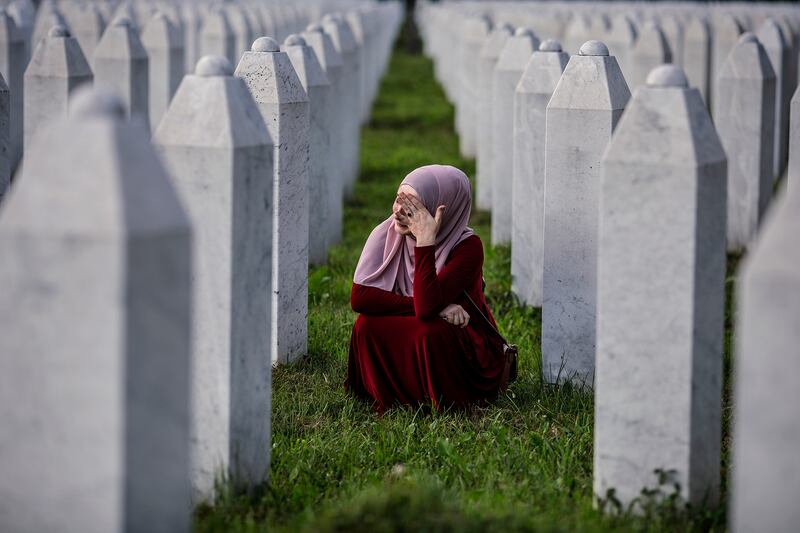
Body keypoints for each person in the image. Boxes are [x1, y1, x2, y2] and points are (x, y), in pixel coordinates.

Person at [345, 164, 507, 412]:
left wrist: (425, 242)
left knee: (430, 331)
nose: (399, 211)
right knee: (366, 324)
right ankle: (391, 394)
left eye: (412, 207)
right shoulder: (386, 233)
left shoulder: (469, 248)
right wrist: (440, 308)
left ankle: (440, 400)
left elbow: (426, 307)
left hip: (464, 340)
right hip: (432, 318)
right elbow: (360, 299)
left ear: (441, 210)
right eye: (398, 199)